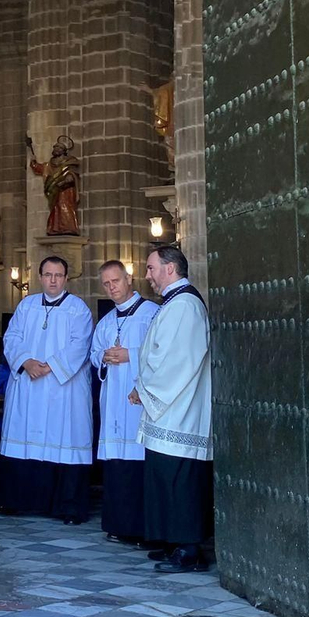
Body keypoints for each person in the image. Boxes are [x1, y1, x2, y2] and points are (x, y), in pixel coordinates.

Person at [0, 255, 94, 523]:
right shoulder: (26, 306)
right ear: (39, 277)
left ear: (66, 278)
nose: (53, 280)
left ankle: (67, 507)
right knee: (24, 441)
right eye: (48, 275)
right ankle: (15, 501)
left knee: (63, 440)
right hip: (28, 385)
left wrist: (49, 367)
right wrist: (25, 361)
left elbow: (80, 344)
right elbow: (11, 337)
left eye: (58, 275)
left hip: (63, 391)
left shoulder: (78, 309)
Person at [130, 245, 213, 572]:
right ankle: (173, 542)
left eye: (151, 268)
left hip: (180, 411)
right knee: (166, 477)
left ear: (170, 269)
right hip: (169, 410)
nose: (147, 275)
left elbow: (176, 361)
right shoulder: (175, 304)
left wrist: (144, 389)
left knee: (180, 479)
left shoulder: (185, 306)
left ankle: (189, 550)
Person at [89, 260, 158, 545]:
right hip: (113, 399)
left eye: (115, 281)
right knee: (117, 464)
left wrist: (130, 354)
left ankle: (142, 528)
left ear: (128, 279)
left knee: (139, 463)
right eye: (106, 283)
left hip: (139, 400)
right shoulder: (105, 321)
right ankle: (118, 523)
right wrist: (103, 358)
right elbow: (93, 355)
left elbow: (161, 349)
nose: (111, 287)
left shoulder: (153, 313)